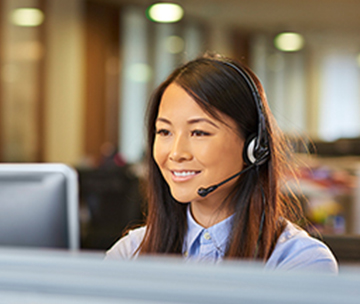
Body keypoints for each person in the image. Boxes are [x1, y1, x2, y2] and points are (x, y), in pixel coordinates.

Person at [106, 53, 338, 273]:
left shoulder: (300, 261)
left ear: (253, 147)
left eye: (199, 132)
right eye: (164, 131)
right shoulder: (130, 253)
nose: (176, 153)